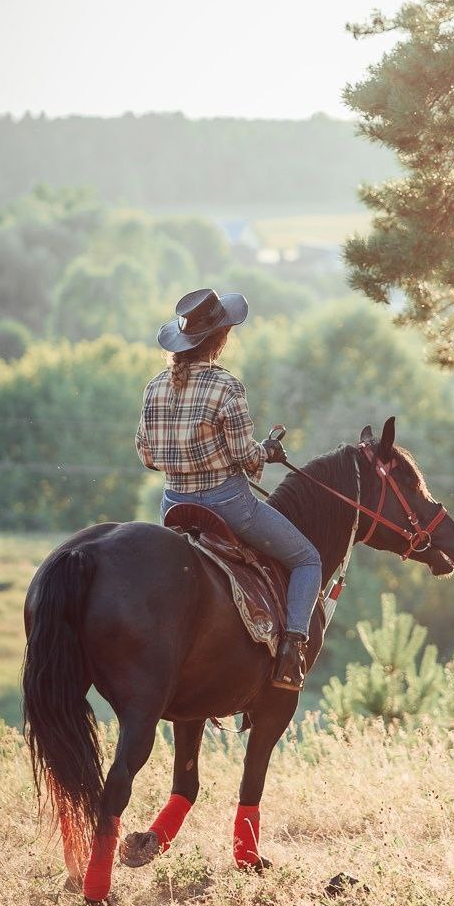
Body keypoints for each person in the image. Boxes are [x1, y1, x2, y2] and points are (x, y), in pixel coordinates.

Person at [135, 287, 321, 692]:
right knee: (308, 559)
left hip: (172, 506)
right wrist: (265, 452)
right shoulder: (227, 387)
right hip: (227, 504)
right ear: (220, 339)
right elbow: (243, 456)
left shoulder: (154, 387)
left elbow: (147, 456)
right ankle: (290, 653)